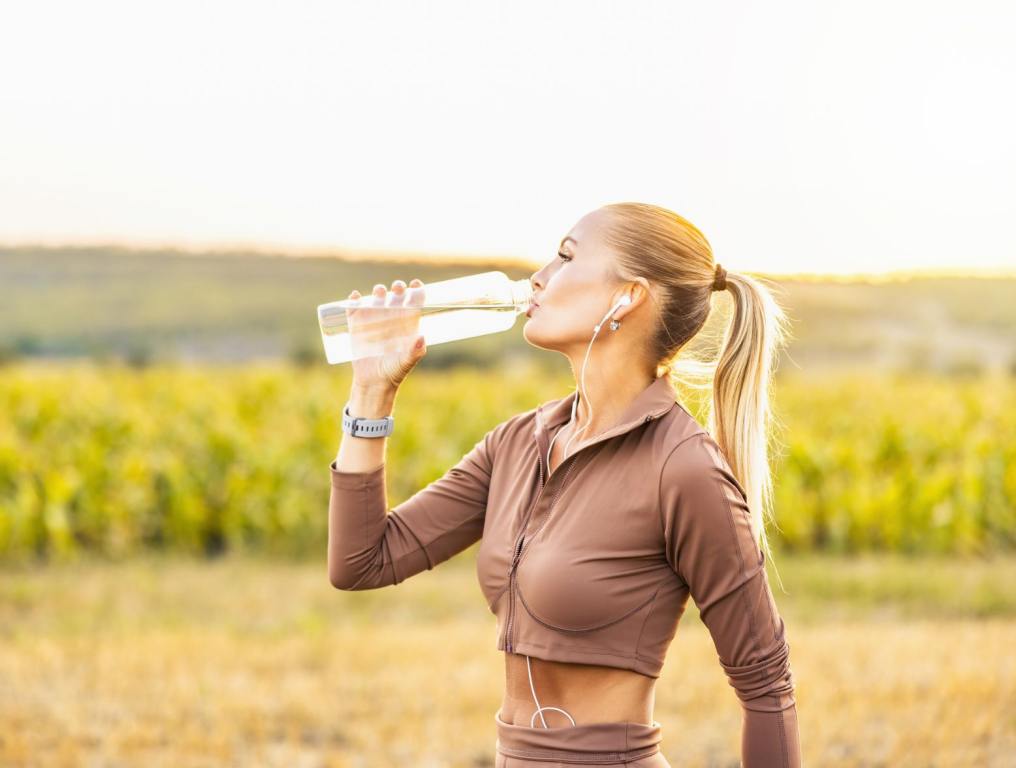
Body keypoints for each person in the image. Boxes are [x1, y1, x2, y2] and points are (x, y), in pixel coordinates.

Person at [328, 202, 801, 767]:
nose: (539, 277)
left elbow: (767, 688)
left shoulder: (683, 468)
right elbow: (361, 562)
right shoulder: (518, 443)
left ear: (627, 296)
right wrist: (372, 392)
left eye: (565, 256)